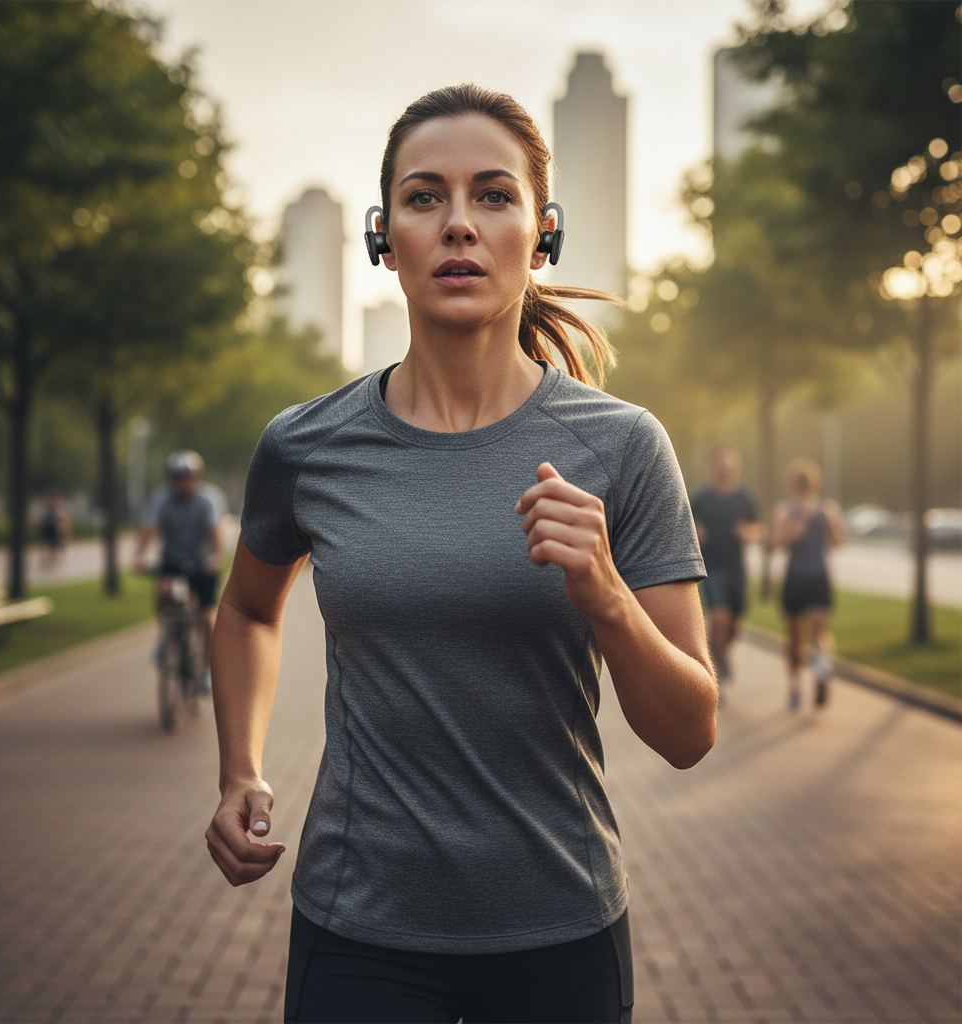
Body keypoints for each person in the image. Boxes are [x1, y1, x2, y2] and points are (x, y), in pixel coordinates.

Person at [205, 85, 717, 1024]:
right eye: (424, 197)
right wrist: (240, 768)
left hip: (561, 927)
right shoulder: (305, 446)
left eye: (492, 195)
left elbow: (690, 733)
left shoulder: (625, 447)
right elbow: (245, 609)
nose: (458, 226)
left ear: (542, 230)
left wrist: (605, 594)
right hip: (357, 926)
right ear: (382, 237)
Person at [133, 450, 222, 694]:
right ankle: (167, 631)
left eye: (187, 477)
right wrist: (139, 556)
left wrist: (216, 556)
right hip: (173, 560)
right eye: (177, 477)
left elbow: (214, 532)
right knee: (163, 591)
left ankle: (205, 671)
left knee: (207, 618)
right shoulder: (162, 499)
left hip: (202, 562)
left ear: (197, 478)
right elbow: (149, 528)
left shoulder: (208, 499)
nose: (182, 483)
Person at [771, 457, 846, 710]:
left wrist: (829, 528)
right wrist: (792, 533)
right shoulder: (786, 510)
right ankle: (798, 685)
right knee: (799, 638)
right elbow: (774, 543)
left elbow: (838, 541)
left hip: (816, 576)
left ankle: (817, 678)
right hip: (798, 577)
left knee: (816, 632)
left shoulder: (827, 509)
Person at [691, 445, 764, 701]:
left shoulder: (745, 498)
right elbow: (685, 527)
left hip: (737, 570)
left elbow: (759, 528)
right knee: (719, 618)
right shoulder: (702, 498)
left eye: (728, 462)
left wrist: (749, 532)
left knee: (734, 629)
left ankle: (721, 657)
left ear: (736, 466)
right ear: (714, 466)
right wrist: (696, 534)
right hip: (712, 568)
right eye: (720, 461)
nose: (724, 466)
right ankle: (716, 675)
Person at [38, 489, 72, 570]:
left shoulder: (59, 506)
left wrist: (63, 526)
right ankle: (48, 559)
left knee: (55, 544)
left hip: (55, 527)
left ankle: (53, 559)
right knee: (47, 543)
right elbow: (43, 516)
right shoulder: (47, 506)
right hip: (48, 527)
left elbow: (62, 517)